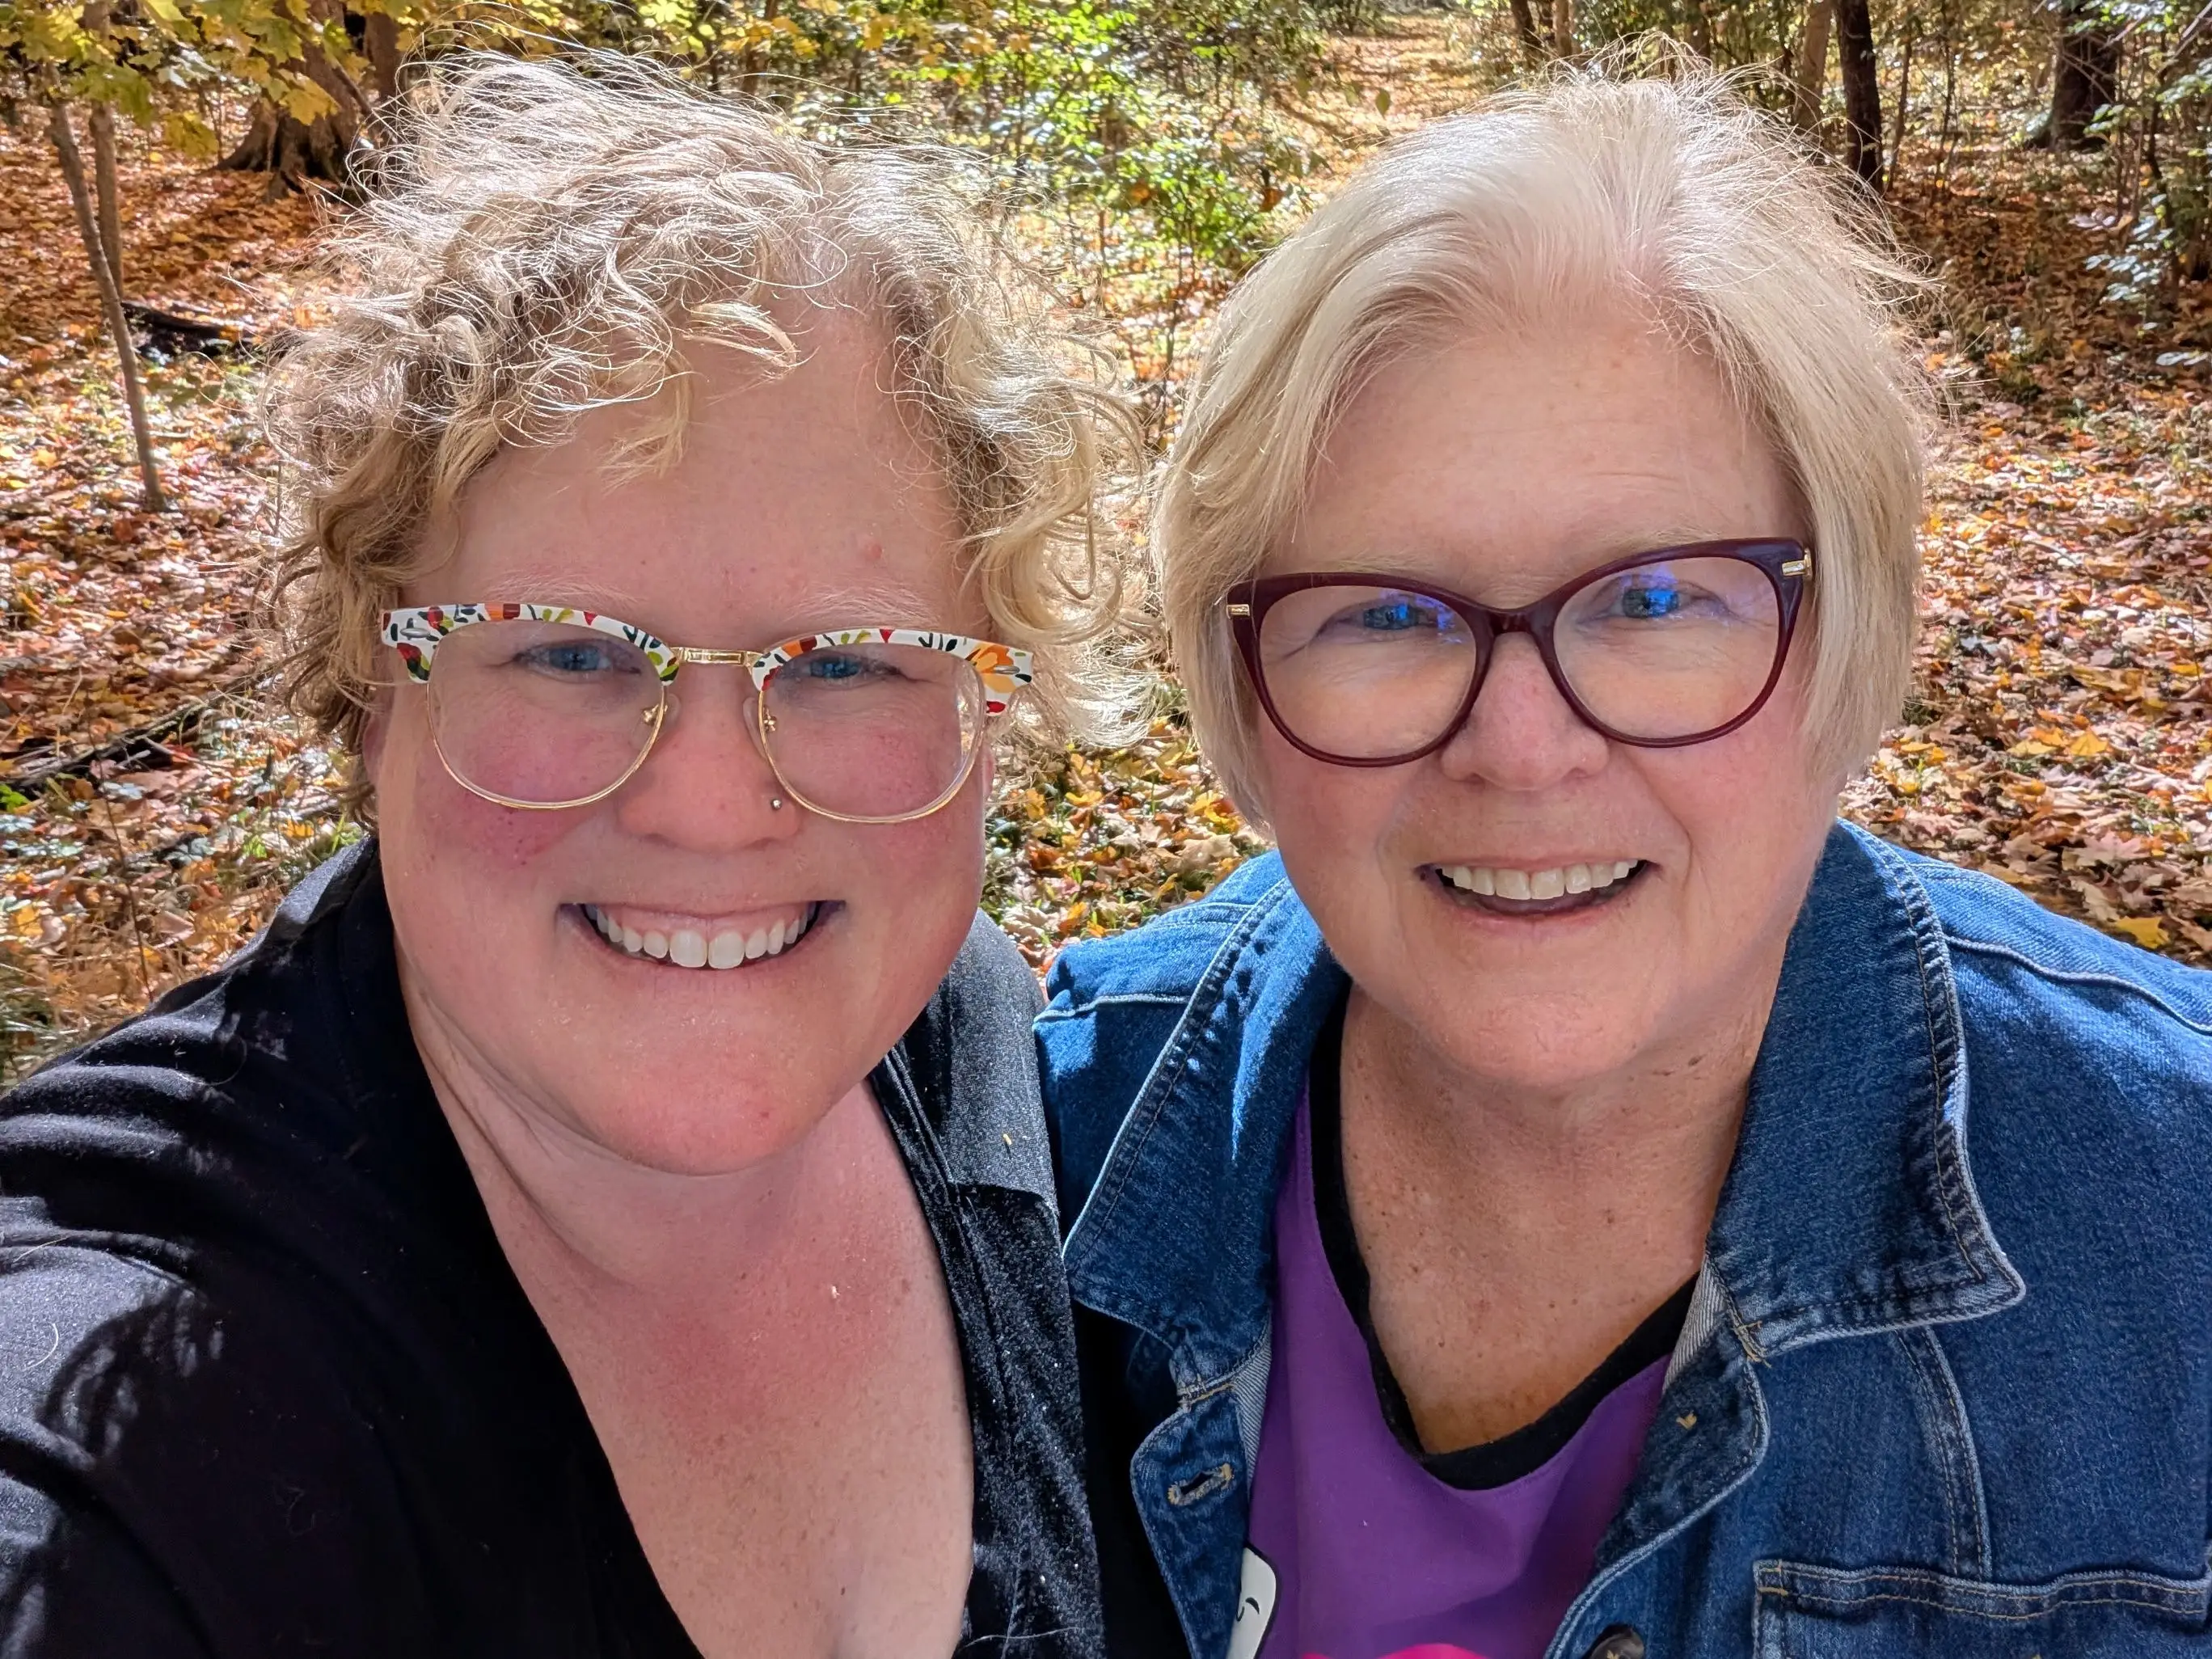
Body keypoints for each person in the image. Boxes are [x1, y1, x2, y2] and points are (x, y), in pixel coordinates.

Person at [1038, 67, 2212, 1659]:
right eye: (1385, 615)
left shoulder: (2172, 1214)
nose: (1521, 751)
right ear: (1239, 685)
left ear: (1847, 639)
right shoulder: (1050, 1142)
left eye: (1658, 601)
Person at [0, 54, 1138, 1659]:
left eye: (848, 659)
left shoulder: (957, 1039)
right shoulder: (142, 1437)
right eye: (566, 654)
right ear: (379, 688)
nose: (708, 801)